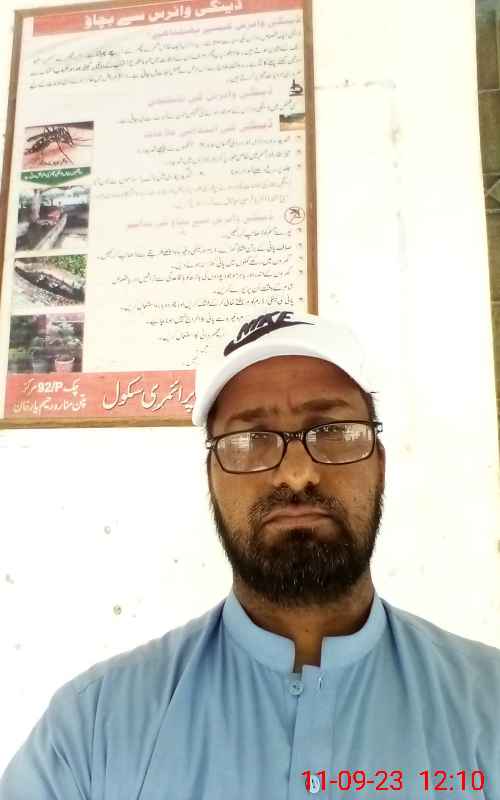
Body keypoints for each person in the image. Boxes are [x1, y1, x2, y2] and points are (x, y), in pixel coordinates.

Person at [1, 309, 499, 799]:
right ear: (211, 478)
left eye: (332, 431)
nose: (297, 474)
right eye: (249, 440)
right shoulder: (92, 733)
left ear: (379, 463)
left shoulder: (487, 707)